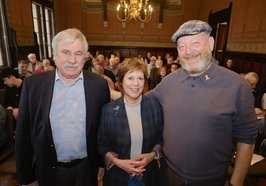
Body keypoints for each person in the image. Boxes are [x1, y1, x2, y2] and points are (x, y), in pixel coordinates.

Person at [147, 20, 258, 186]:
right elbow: (141, 101)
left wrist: (236, 183)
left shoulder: (237, 86)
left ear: (211, 43)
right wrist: (107, 89)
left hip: (211, 180)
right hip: (167, 176)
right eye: (181, 46)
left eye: (195, 43)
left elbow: (247, 140)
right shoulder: (169, 82)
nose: (188, 52)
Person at [15, 28, 110, 186]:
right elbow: (23, 133)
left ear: (85, 57)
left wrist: (101, 162)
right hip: (46, 171)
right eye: (66, 52)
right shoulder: (33, 85)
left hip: (86, 170)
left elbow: (103, 129)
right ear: (54, 55)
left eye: (78, 53)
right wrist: (26, 178)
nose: (72, 60)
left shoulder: (98, 85)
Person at [98, 58, 163, 186]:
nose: (136, 83)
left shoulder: (154, 107)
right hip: (117, 177)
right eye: (130, 78)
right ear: (121, 81)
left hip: (148, 176)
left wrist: (152, 155)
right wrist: (117, 161)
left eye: (140, 78)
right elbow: (101, 144)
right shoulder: (108, 110)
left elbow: (162, 137)